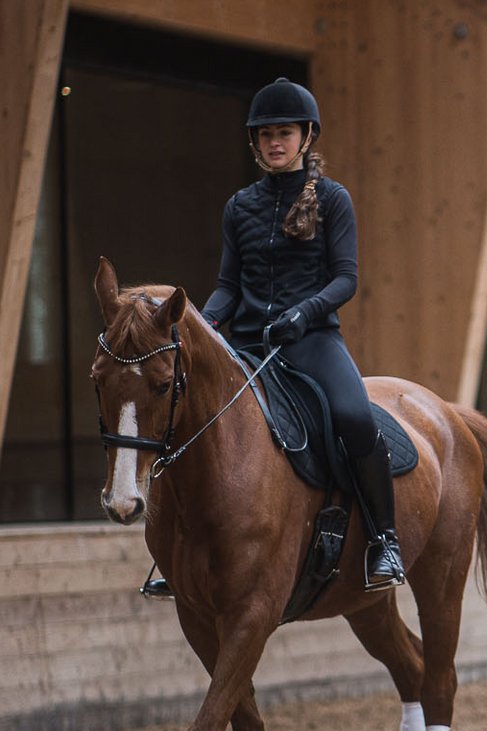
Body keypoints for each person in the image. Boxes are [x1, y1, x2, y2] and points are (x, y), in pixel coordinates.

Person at [142, 77, 403, 597]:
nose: (274, 143)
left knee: (354, 416)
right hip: (246, 345)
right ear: (255, 143)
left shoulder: (332, 199)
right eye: (265, 136)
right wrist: (203, 323)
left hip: (311, 341)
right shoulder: (239, 207)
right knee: (185, 419)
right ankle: (176, 555)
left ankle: (383, 540)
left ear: (306, 137)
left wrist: (304, 314)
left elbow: (345, 278)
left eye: (284, 133)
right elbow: (227, 287)